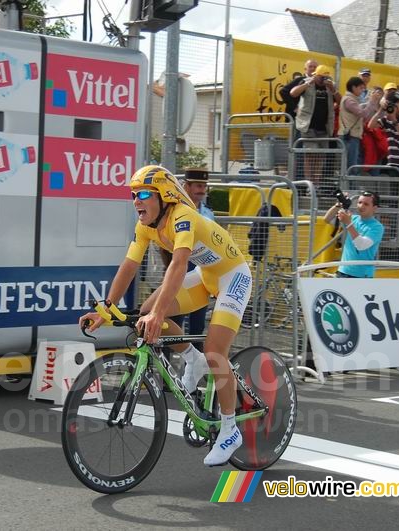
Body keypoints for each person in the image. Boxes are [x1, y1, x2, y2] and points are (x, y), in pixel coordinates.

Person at [79, 165, 252, 466]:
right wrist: (105, 309)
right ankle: (191, 357)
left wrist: (160, 314)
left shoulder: (183, 217)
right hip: (207, 275)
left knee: (215, 352)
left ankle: (229, 428)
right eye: (133, 194)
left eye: (144, 193)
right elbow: (129, 266)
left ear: (164, 195)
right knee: (145, 312)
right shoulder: (145, 226)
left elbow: (178, 265)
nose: (136, 200)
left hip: (233, 277)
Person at [169, 168, 214, 343]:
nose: (202, 190)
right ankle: (167, 364)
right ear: (186, 186)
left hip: (201, 270)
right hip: (181, 266)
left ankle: (196, 366)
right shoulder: (176, 212)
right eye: (197, 185)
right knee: (174, 320)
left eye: (204, 185)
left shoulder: (209, 214)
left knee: (198, 322)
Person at [290, 64, 340, 182]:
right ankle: (309, 183)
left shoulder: (330, 87)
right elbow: (293, 93)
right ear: (315, 75)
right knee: (310, 155)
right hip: (308, 126)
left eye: (326, 77)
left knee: (320, 156)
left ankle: (316, 183)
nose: (324, 80)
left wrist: (333, 90)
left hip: (325, 127)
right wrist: (308, 83)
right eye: (321, 77)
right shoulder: (307, 82)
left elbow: (340, 102)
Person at [323, 191, 384, 278]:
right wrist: (338, 205)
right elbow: (327, 219)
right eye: (359, 202)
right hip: (343, 271)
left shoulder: (377, 227)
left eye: (366, 204)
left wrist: (348, 223)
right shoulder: (352, 218)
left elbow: (361, 245)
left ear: (374, 208)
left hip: (362, 275)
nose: (361, 206)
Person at [339, 76, 379, 169]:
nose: (362, 91)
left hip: (353, 135)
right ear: (353, 87)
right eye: (361, 88)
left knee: (352, 163)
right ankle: (349, 183)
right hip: (349, 137)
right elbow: (362, 114)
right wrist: (372, 101)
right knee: (351, 166)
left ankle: (349, 182)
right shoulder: (349, 100)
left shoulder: (354, 100)